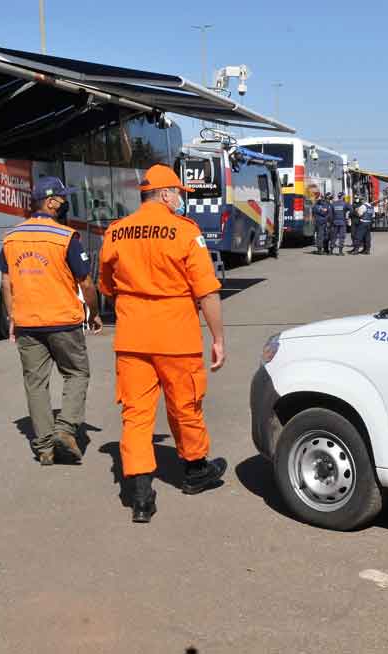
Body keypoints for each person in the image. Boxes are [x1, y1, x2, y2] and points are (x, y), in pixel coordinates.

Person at [98, 164, 227, 524]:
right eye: (179, 194)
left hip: (132, 339)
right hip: (177, 339)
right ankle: (195, 472)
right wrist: (218, 338)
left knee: (136, 416)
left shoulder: (117, 231)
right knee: (185, 406)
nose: (181, 200)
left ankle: (141, 496)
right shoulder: (185, 231)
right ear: (167, 194)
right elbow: (207, 292)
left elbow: (106, 284)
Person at [0, 176, 103, 466]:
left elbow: (6, 282)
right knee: (77, 373)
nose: (66, 203)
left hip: (28, 322)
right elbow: (87, 283)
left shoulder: (12, 237)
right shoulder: (65, 237)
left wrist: (13, 316)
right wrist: (94, 314)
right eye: (63, 198)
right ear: (52, 201)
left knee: (36, 384)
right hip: (63, 321)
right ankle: (65, 429)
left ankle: (44, 448)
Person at [330, 191, 351, 256]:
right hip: (342, 222)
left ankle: (331, 251)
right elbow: (351, 209)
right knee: (341, 237)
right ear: (343, 196)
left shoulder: (333, 204)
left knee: (334, 237)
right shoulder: (345, 203)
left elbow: (331, 214)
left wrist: (332, 222)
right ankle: (340, 252)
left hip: (335, 222)